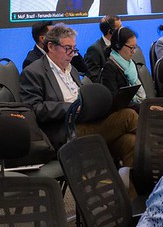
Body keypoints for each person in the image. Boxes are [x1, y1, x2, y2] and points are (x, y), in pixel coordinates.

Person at [20, 24, 138, 165]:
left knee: (131, 142)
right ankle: (159, 147)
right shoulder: (33, 72)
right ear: (50, 47)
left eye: (74, 49)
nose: (72, 54)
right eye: (67, 48)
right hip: (65, 130)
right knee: (129, 116)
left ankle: (135, 179)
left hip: (87, 120)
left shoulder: (72, 70)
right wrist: (72, 108)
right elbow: (34, 109)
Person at [99, 27, 146, 111]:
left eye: (135, 47)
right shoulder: (110, 68)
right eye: (131, 48)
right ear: (118, 45)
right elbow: (115, 101)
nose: (133, 51)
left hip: (135, 107)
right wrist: (142, 108)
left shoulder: (132, 64)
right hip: (121, 111)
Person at [83, 15, 121, 83]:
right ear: (110, 32)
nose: (122, 30)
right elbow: (94, 78)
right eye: (119, 28)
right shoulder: (94, 50)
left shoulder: (121, 45)